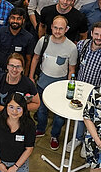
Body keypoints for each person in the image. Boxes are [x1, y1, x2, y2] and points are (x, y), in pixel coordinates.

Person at [67, 22, 101, 151]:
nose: (98, 37)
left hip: (97, 94)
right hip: (79, 89)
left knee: (93, 119)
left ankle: (88, 142)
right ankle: (77, 138)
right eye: (96, 34)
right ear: (91, 33)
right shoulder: (82, 45)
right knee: (79, 116)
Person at [29, 16, 78, 148]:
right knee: (41, 110)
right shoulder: (43, 41)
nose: (57, 31)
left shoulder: (72, 47)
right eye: (55, 27)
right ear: (51, 27)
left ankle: (55, 135)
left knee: (59, 115)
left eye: (61, 28)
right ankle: (40, 128)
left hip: (60, 86)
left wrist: (69, 87)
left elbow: (71, 69)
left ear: (66, 29)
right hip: (42, 83)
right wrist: (31, 76)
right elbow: (35, 58)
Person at [0, 53, 40, 131]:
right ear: (7, 66)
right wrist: (8, 111)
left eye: (18, 66)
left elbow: (36, 103)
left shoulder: (28, 84)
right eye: (12, 66)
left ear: (22, 68)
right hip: (0, 116)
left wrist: (18, 110)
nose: (14, 70)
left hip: (20, 119)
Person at [0, 7, 35, 85]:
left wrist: (25, 77)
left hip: (17, 73)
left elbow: (28, 59)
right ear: (9, 19)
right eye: (13, 18)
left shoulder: (29, 38)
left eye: (19, 19)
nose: (15, 21)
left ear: (23, 21)